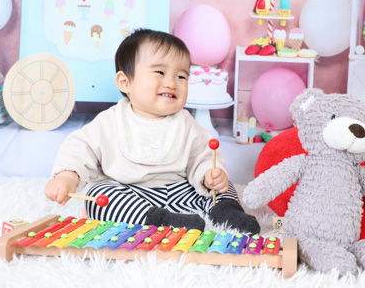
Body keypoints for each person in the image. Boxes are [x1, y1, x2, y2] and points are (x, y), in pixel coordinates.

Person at [45, 28, 260, 234]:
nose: (172, 83)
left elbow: (203, 155)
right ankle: (162, 221)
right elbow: (80, 148)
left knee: (223, 187)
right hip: (132, 194)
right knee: (99, 196)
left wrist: (209, 176)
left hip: (181, 192)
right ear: (125, 82)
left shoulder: (185, 122)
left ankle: (227, 213)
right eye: (160, 72)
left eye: (181, 77)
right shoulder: (110, 120)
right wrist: (67, 177)